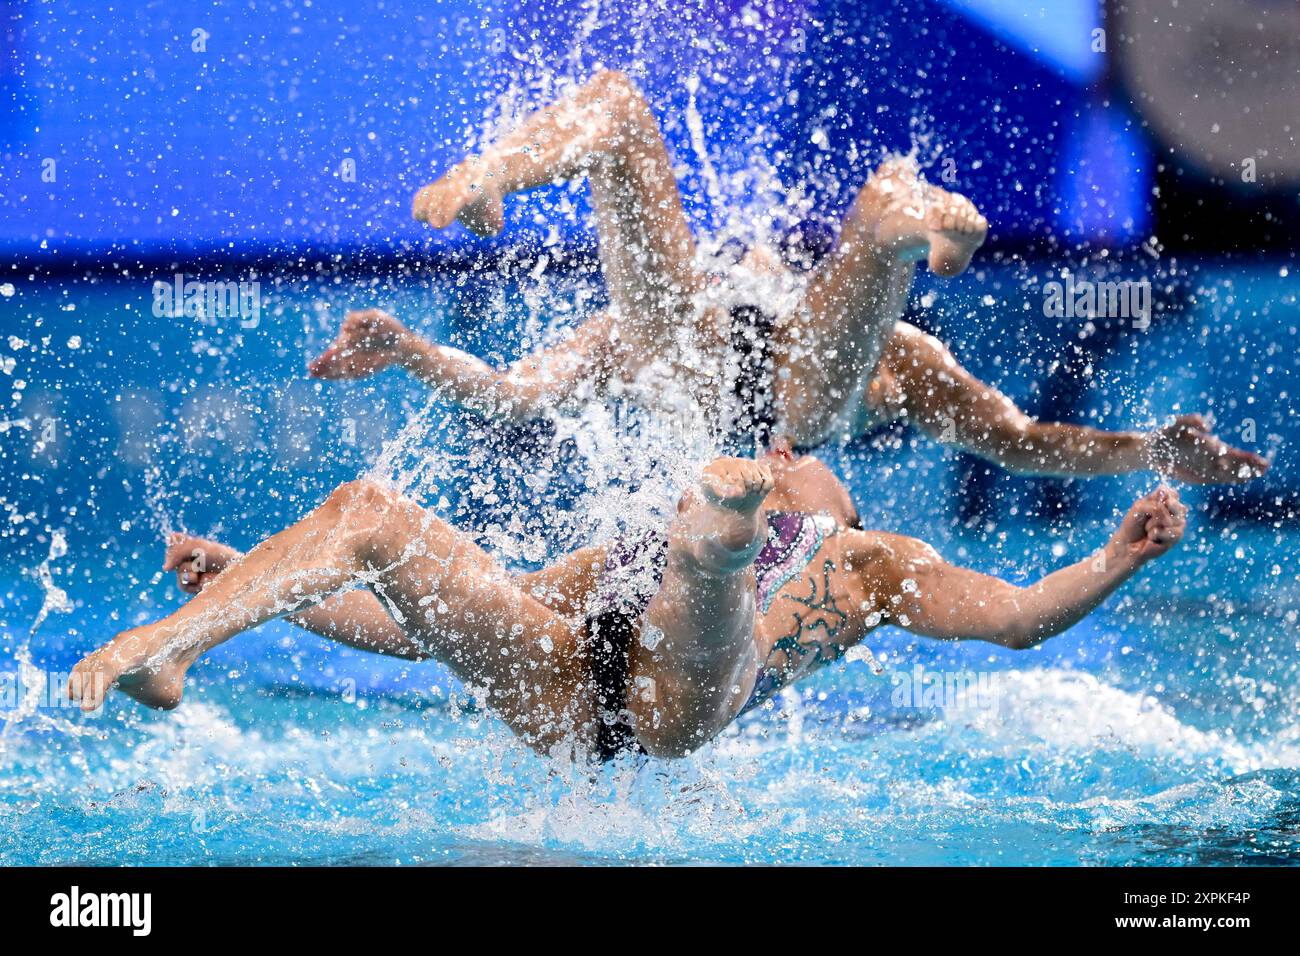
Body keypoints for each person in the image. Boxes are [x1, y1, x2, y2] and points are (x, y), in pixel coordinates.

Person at [308, 69, 1266, 484]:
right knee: (615, 107)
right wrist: (414, 352)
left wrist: (1146, 449)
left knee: (888, 202)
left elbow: (1015, 438)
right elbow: (514, 395)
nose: (752, 251)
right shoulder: (672, 323)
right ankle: (493, 175)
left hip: (790, 395)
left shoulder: (885, 355)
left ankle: (933, 228)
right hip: (696, 357)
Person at [68, 452, 1188, 761]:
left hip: (684, 704)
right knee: (366, 513)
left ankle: (723, 541)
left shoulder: (871, 561)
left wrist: (1116, 555)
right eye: (775, 454)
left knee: (704, 572)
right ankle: (162, 653)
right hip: (567, 698)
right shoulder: (634, 545)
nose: (790, 452)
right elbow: (429, 633)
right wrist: (253, 593)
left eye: (797, 461)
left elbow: (1017, 612)